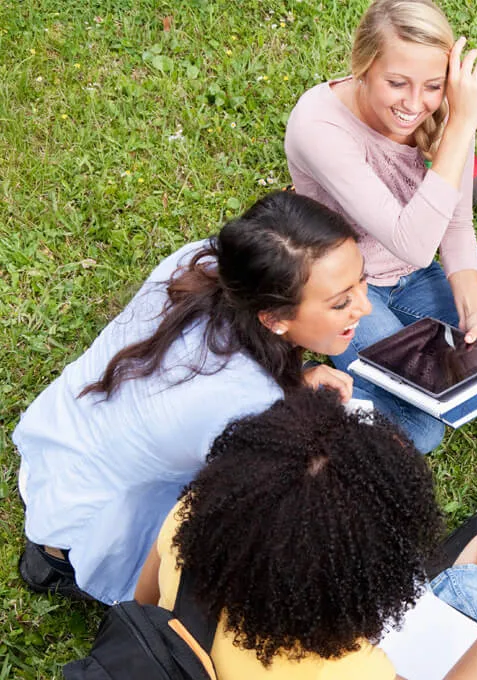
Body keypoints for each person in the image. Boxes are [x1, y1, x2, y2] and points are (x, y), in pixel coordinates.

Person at [13, 191, 372, 604]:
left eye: (361, 278)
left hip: (56, 451)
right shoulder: (246, 405)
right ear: (272, 318)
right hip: (83, 538)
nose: (363, 306)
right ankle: (57, 566)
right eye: (341, 301)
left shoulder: (201, 261)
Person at [134, 388, 477, 679]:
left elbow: (144, 605)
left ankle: (459, 573)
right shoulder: (335, 668)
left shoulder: (188, 519)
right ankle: (458, 576)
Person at [285, 0, 477, 454]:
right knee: (421, 431)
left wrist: (473, 315)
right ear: (363, 67)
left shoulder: (446, 111)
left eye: (432, 86)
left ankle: (380, 363)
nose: (413, 105)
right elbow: (416, 241)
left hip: (414, 278)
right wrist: (462, 124)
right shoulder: (318, 123)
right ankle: (309, 393)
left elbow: (457, 223)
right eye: (396, 83)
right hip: (343, 291)